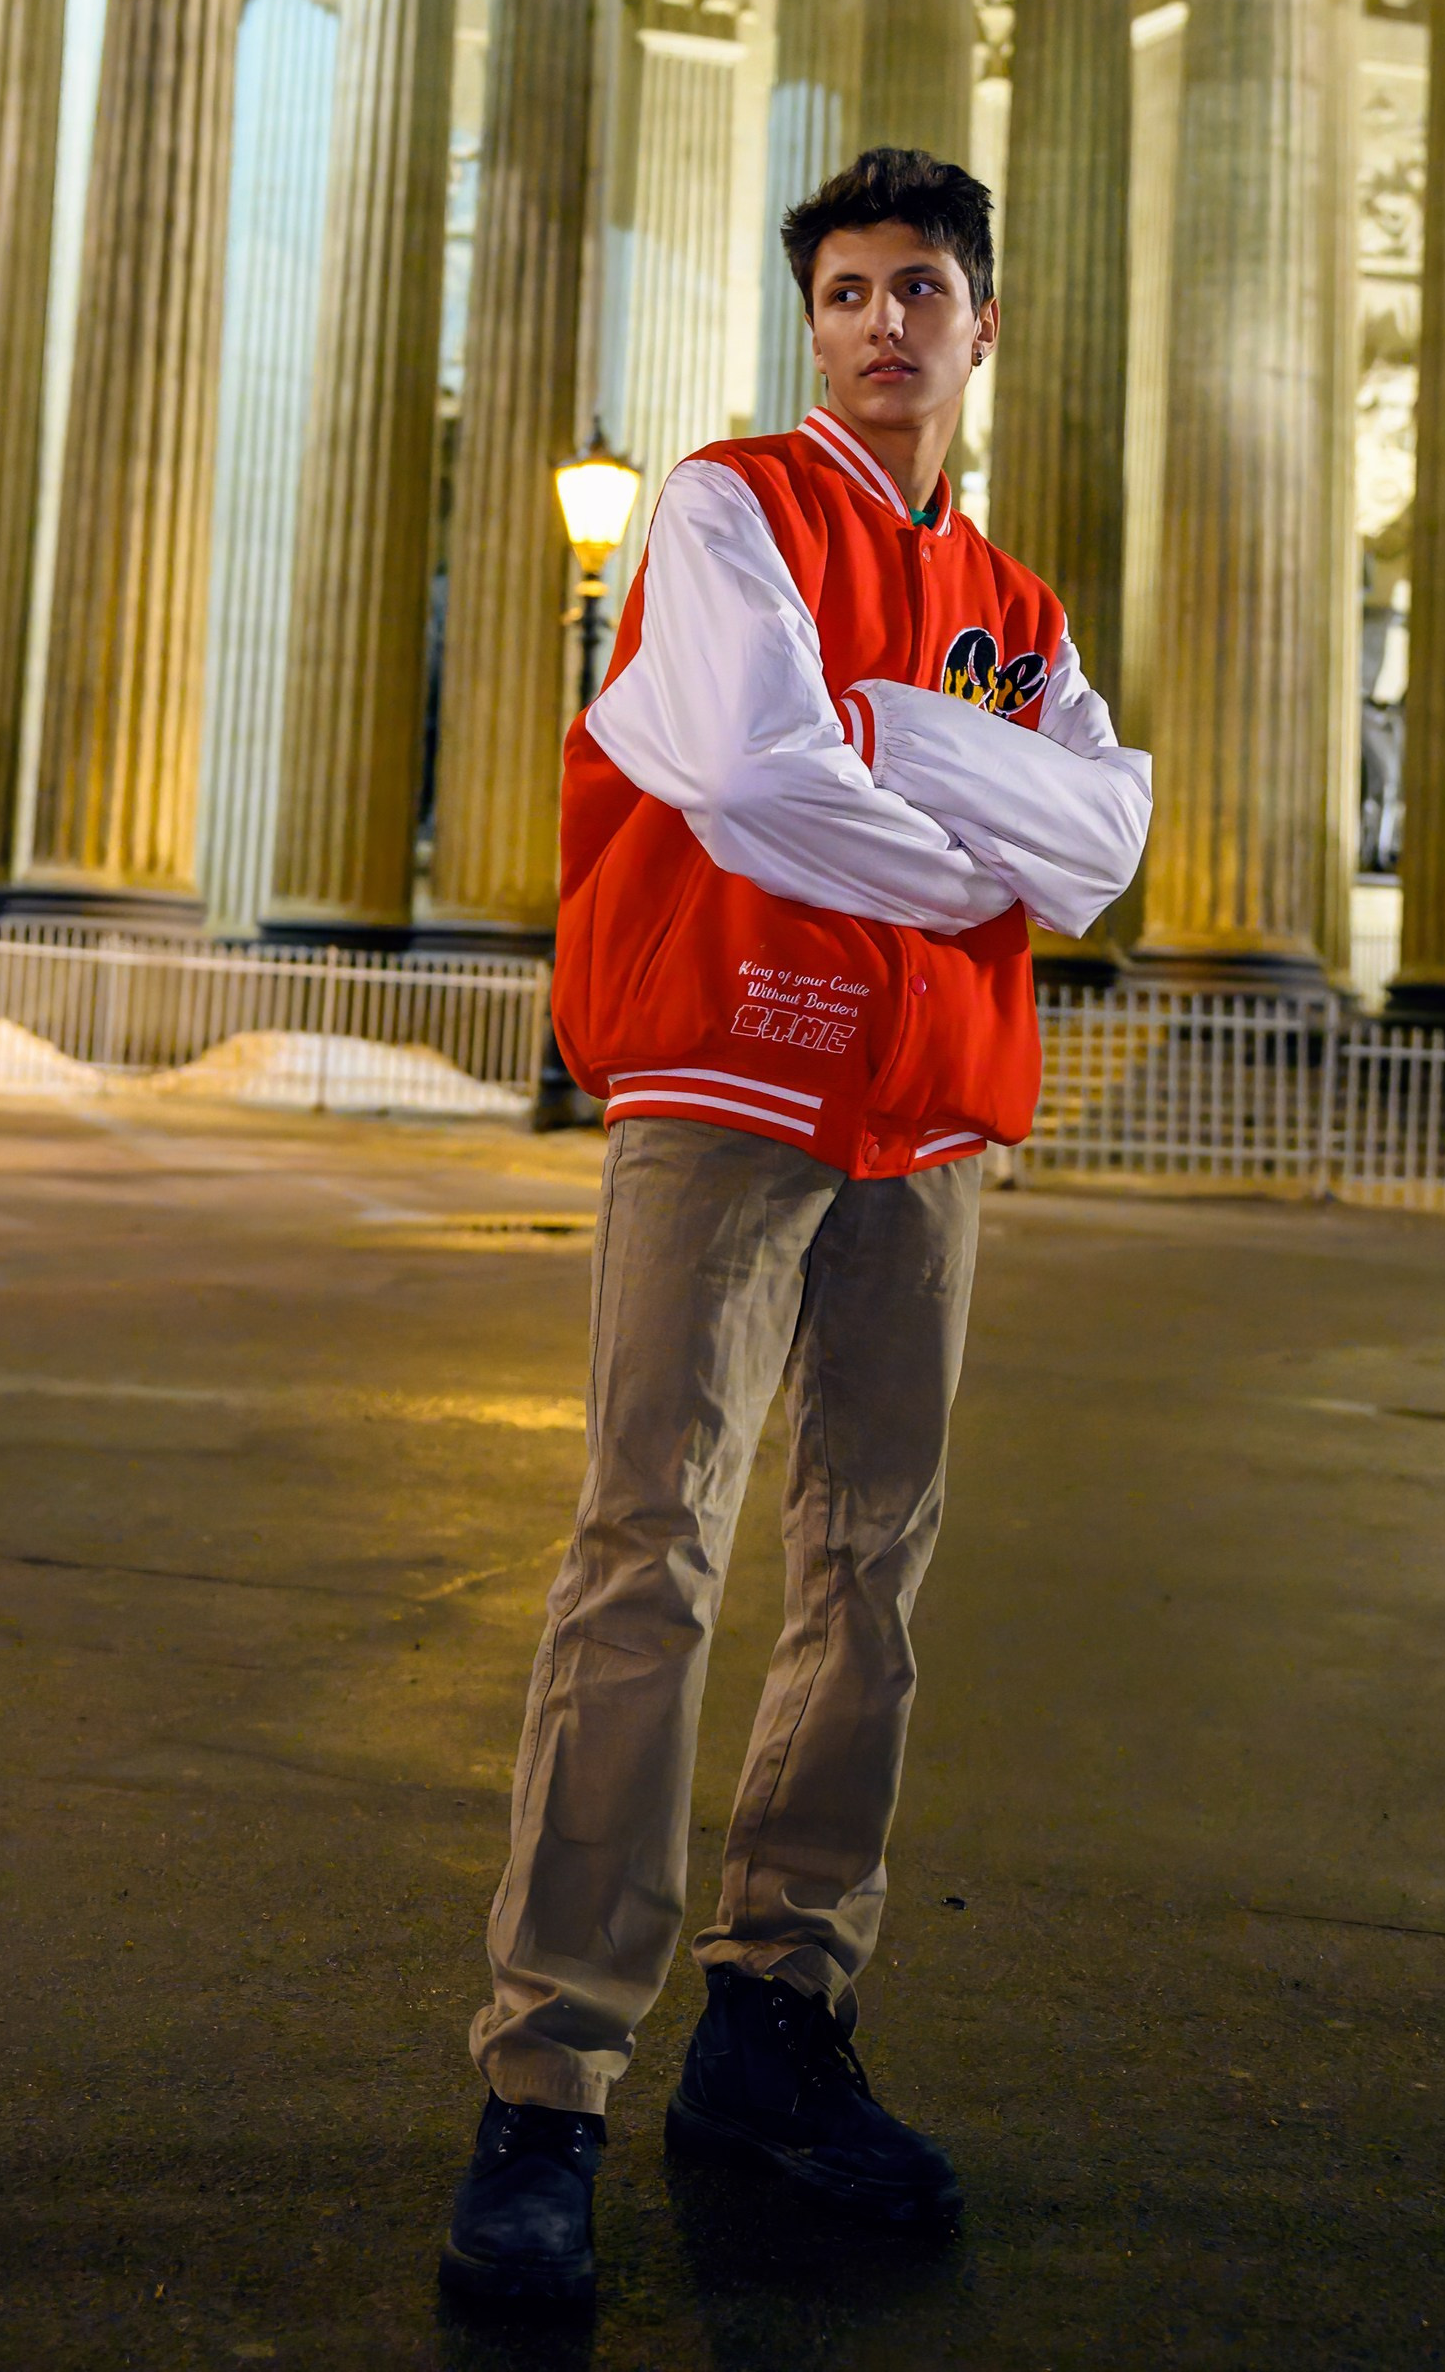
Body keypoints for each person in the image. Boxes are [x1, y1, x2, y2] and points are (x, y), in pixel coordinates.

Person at [440, 146, 1151, 2314]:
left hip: (926, 1116)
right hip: (731, 1078)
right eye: (842, 285)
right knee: (645, 1544)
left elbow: (1105, 836)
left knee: (872, 1568)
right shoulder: (723, 503)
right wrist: (964, 827)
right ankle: (545, 2078)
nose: (877, 320)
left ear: (979, 322)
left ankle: (777, 2015)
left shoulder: (1016, 606)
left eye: (917, 285)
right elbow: (748, 762)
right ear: (809, 316)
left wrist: (903, 749)